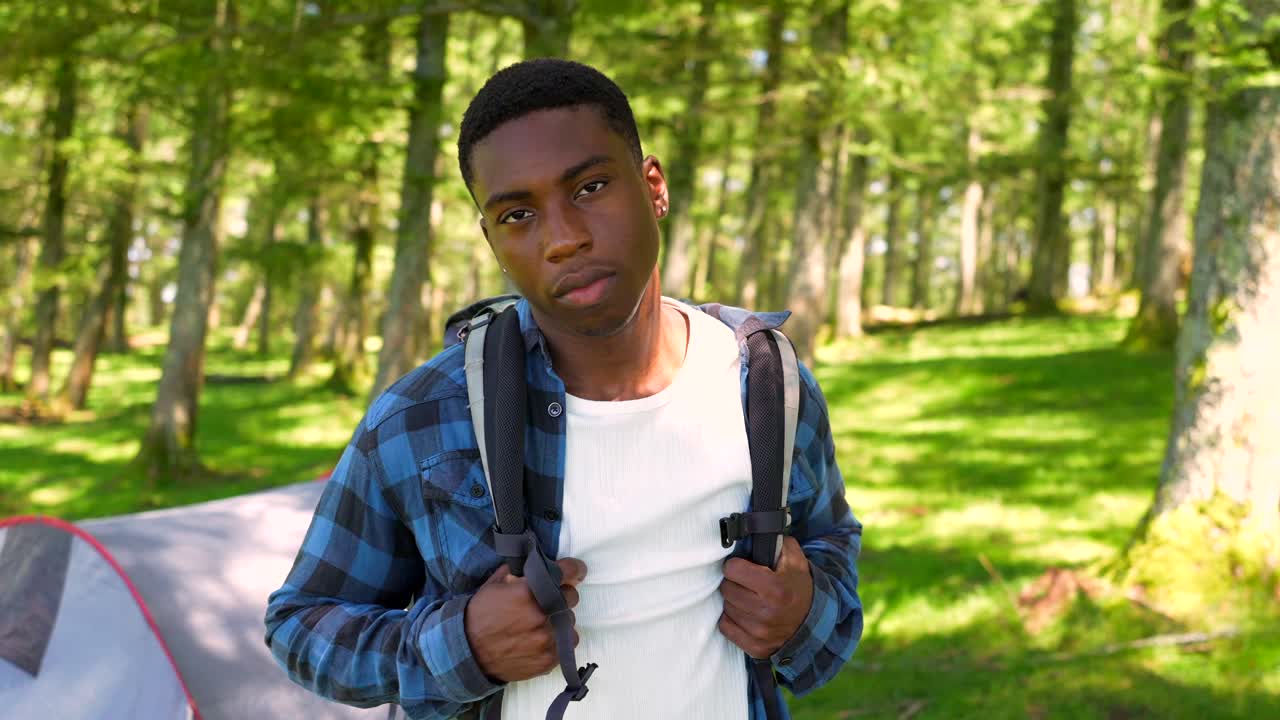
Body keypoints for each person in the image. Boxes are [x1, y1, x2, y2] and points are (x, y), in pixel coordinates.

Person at [264, 58, 863, 720]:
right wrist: (460, 646)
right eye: (517, 214)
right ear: (492, 240)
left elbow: (831, 556)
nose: (563, 239)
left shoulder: (765, 387)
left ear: (653, 185)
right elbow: (300, 625)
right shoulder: (423, 417)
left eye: (590, 187)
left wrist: (804, 613)